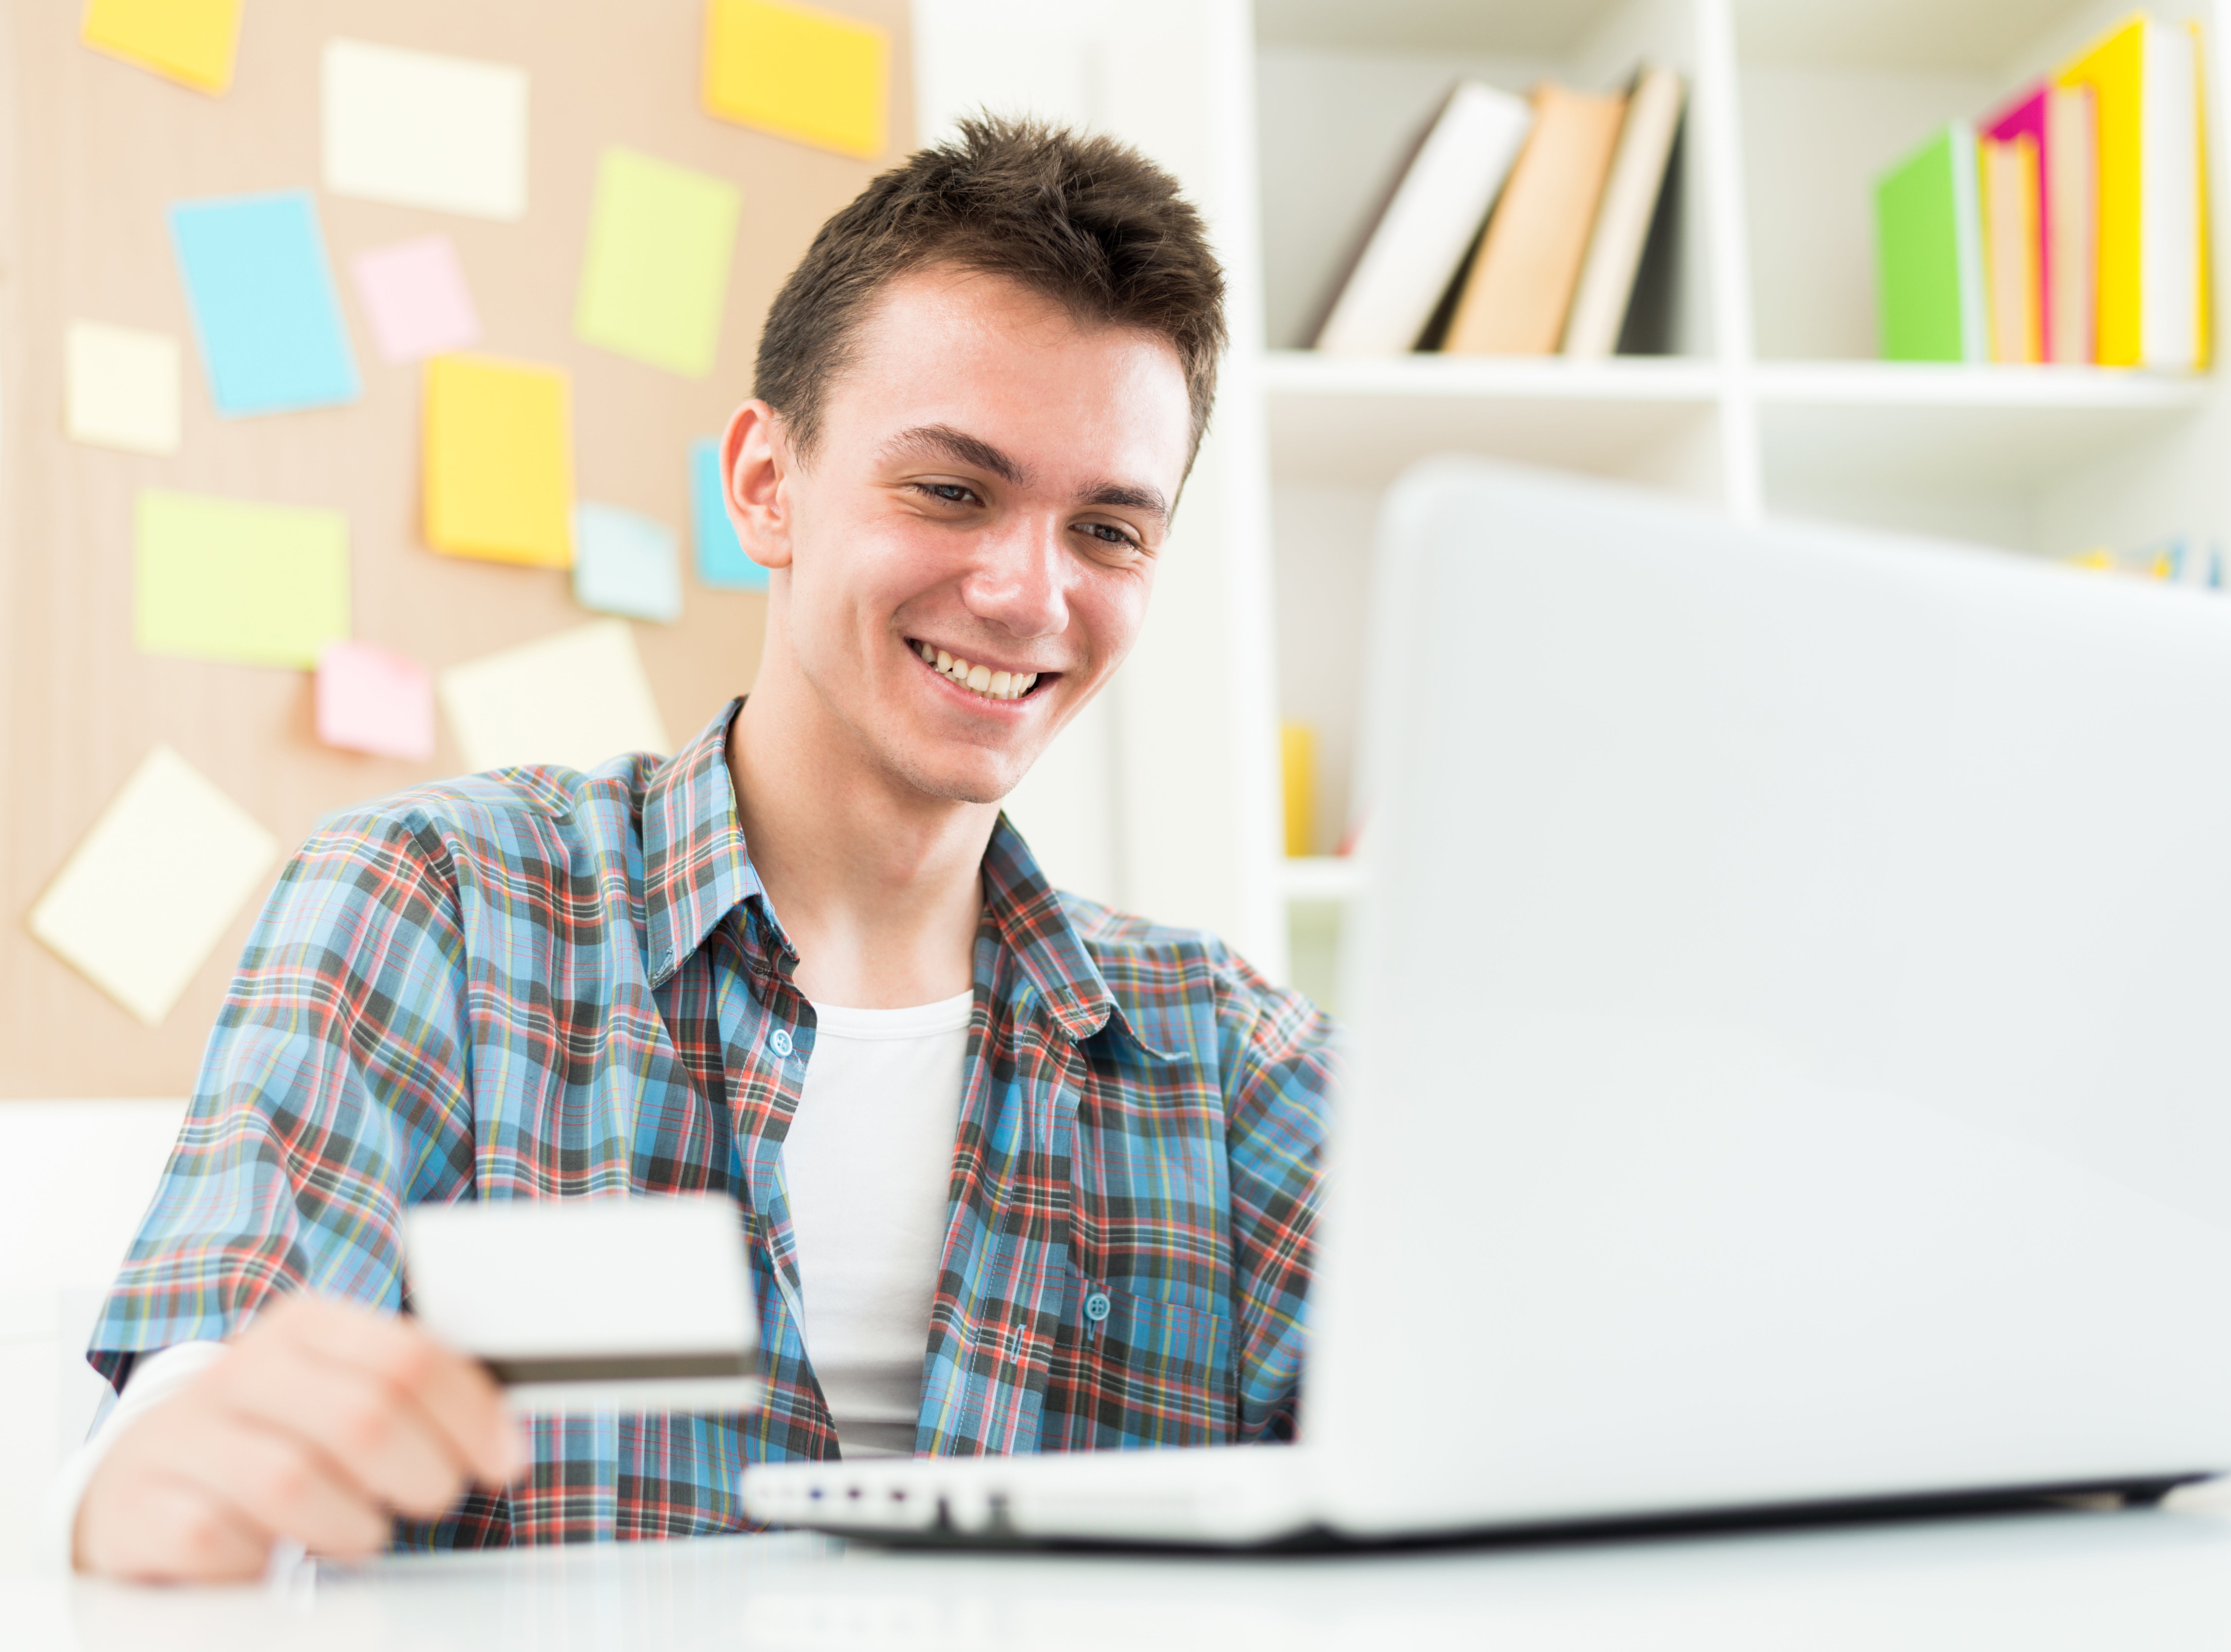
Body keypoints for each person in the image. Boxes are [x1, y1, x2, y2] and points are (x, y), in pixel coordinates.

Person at [63, 117, 1334, 1581]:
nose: (1025, 592)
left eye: (1109, 530)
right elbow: (191, 1437)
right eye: (951, 490)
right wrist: (150, 1477)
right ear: (763, 485)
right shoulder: (436, 905)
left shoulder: (1228, 1065)